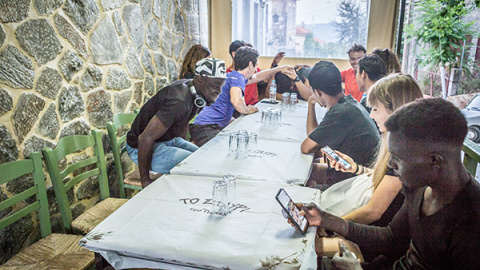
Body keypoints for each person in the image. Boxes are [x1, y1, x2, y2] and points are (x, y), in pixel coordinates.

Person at [296, 98, 480, 270]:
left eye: (398, 159)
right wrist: (326, 220)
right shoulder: (422, 188)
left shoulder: (470, 221)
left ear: (434, 161)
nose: (390, 165)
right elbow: (390, 238)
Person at [325, 73, 424, 228]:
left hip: (377, 230)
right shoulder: (398, 143)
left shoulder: (404, 155)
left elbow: (372, 212)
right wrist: (356, 168)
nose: (371, 115)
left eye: (376, 109)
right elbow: (382, 179)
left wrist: (328, 226)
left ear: (395, 110)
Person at [126, 58, 227, 188]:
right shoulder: (179, 101)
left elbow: (181, 126)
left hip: (168, 140)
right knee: (198, 165)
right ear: (200, 79)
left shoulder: (194, 91)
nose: (219, 91)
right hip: (140, 148)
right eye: (215, 86)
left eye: (221, 86)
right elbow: (145, 139)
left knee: (205, 157)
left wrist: (181, 145)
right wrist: (146, 181)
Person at [190, 47, 292, 147]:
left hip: (202, 125)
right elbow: (236, 101)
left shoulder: (233, 75)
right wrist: (248, 110)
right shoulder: (237, 78)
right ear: (250, 65)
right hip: (206, 127)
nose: (256, 69)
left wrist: (278, 69)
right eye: (256, 65)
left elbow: (258, 77)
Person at [301, 61, 379, 188]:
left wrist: (310, 105)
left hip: (357, 183)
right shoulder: (348, 102)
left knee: (302, 179)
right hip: (361, 174)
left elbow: (306, 147)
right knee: (311, 167)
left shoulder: (340, 112)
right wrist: (311, 104)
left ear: (318, 92)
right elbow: (314, 139)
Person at [226, 40, 285, 105]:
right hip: (239, 110)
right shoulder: (229, 76)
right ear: (234, 54)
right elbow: (235, 102)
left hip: (253, 105)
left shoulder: (250, 69)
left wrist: (275, 66)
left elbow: (262, 78)